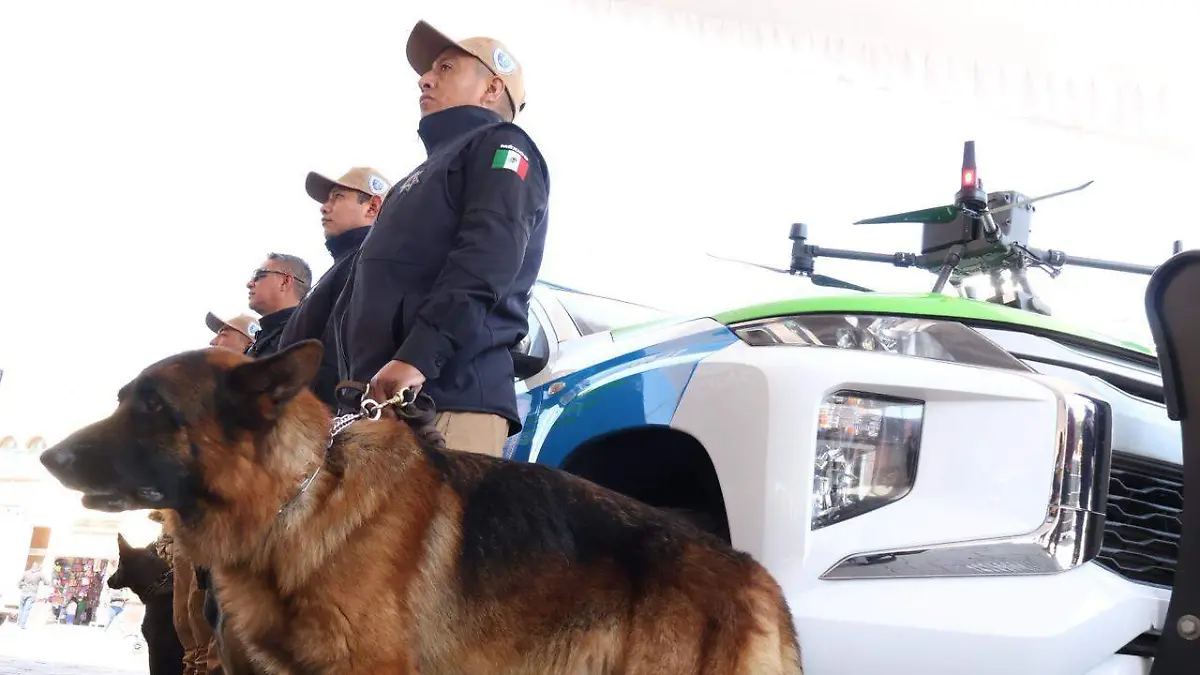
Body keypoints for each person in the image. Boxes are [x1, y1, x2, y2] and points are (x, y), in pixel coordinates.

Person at [329, 19, 550, 456]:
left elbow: (488, 256)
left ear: (491, 89)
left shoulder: (504, 145)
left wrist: (418, 357)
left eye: (446, 69)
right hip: (383, 402)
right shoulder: (416, 178)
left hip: (445, 401)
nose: (425, 78)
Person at [277, 167, 391, 406]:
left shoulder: (368, 263)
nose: (324, 206)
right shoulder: (345, 263)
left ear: (372, 207)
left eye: (337, 197)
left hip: (327, 422)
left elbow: (347, 353)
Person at [245, 253, 311, 358]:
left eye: (259, 276)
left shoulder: (305, 336)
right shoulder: (265, 339)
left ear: (285, 281)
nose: (249, 284)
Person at [16, 562, 46, 629]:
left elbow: (19, 582)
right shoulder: (40, 574)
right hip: (32, 593)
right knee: (26, 609)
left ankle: (18, 622)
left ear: (32, 566)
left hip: (24, 592)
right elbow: (46, 582)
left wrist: (21, 587)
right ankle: (22, 625)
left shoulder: (26, 572)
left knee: (21, 608)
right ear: (38, 567)